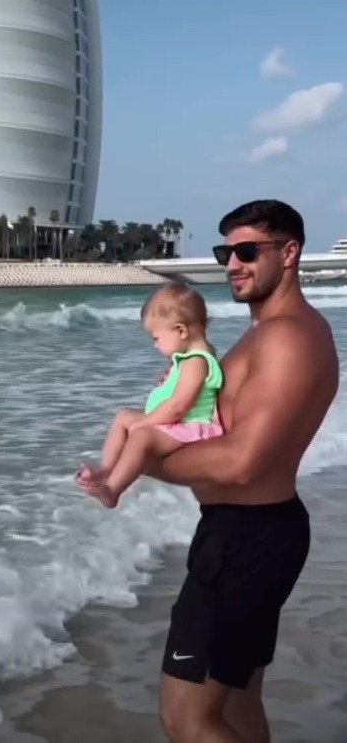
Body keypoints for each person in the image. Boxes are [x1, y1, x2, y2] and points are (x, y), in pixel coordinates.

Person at [77, 200, 339, 743]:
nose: (232, 264)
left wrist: (145, 458)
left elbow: (243, 462)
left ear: (289, 253)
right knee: (237, 704)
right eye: (226, 252)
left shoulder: (288, 337)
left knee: (187, 718)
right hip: (256, 533)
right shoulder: (266, 335)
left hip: (245, 542)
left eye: (247, 251)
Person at [76, 283, 223, 508]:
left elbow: (178, 406)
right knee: (123, 416)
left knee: (142, 437)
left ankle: (113, 489)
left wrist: (146, 422)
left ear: (181, 331)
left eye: (156, 338)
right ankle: (105, 469)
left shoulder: (196, 361)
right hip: (175, 423)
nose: (155, 346)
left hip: (188, 427)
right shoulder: (192, 357)